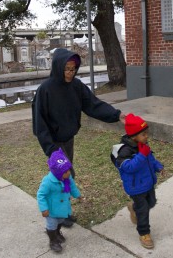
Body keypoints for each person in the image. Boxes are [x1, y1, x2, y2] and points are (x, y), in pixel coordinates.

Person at [32, 48, 125, 227]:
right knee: (63, 177)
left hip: (68, 139)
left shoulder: (76, 86)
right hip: (54, 144)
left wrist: (116, 115)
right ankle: (55, 217)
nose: (70, 72)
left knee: (66, 177)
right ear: (58, 67)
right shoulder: (45, 89)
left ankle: (64, 211)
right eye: (67, 69)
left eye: (73, 69)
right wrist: (51, 151)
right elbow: (39, 124)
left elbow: (93, 105)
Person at [111, 113, 165, 249]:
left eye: (147, 133)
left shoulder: (143, 145)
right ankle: (144, 233)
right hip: (135, 187)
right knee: (144, 210)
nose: (147, 136)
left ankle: (133, 208)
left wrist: (158, 167)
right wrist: (141, 155)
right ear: (133, 136)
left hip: (148, 183)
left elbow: (150, 159)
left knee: (152, 202)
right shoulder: (124, 151)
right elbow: (128, 167)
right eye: (144, 134)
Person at [37, 148, 81, 253]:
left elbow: (72, 186)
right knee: (52, 224)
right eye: (65, 171)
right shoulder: (48, 182)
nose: (69, 173)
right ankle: (53, 241)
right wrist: (44, 209)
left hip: (63, 207)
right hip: (51, 210)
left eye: (69, 170)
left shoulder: (67, 178)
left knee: (60, 221)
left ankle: (57, 233)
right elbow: (40, 195)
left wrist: (77, 195)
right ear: (57, 173)